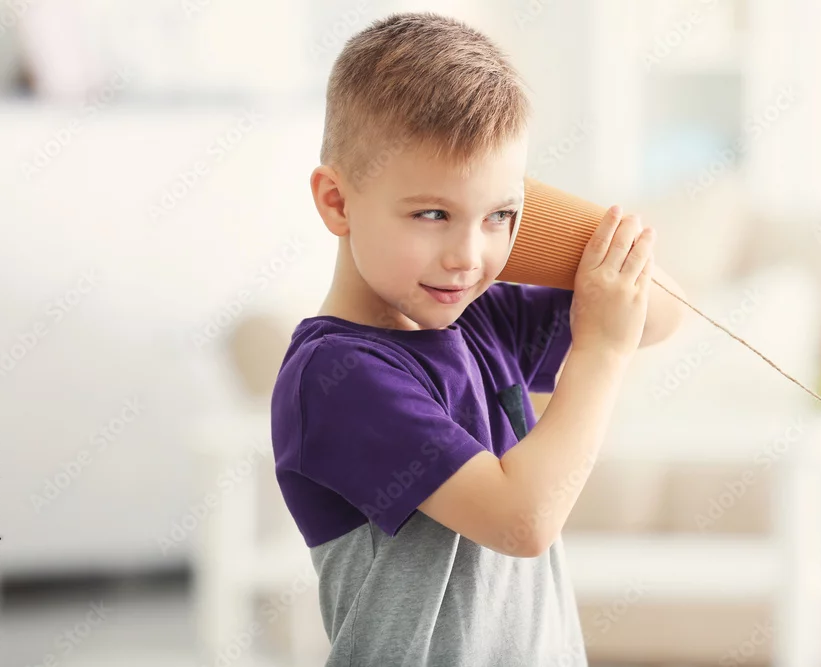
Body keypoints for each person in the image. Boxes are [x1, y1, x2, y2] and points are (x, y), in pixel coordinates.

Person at [270, 11, 686, 666]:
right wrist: (599, 352)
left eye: (500, 217)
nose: (467, 257)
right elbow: (522, 520)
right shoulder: (337, 377)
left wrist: (502, 196)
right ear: (337, 202)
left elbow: (664, 311)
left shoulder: (482, 318)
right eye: (432, 213)